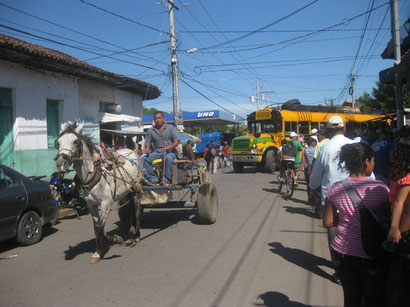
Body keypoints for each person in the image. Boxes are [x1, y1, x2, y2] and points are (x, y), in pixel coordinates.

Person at [323, 142, 389, 307]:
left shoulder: (335, 189)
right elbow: (387, 218)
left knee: (351, 298)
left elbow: (328, 222)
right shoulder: (380, 188)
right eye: (372, 160)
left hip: (343, 253)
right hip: (371, 253)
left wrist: (346, 217)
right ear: (367, 161)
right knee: (374, 298)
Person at [143, 111, 180, 185]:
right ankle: (152, 178)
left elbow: (177, 140)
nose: (158, 120)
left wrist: (170, 147)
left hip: (169, 152)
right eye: (156, 118)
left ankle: (166, 180)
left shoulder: (170, 128)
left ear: (164, 118)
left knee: (168, 158)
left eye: (159, 118)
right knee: (143, 159)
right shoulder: (151, 130)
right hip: (156, 152)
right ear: (154, 120)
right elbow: (147, 143)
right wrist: (147, 149)